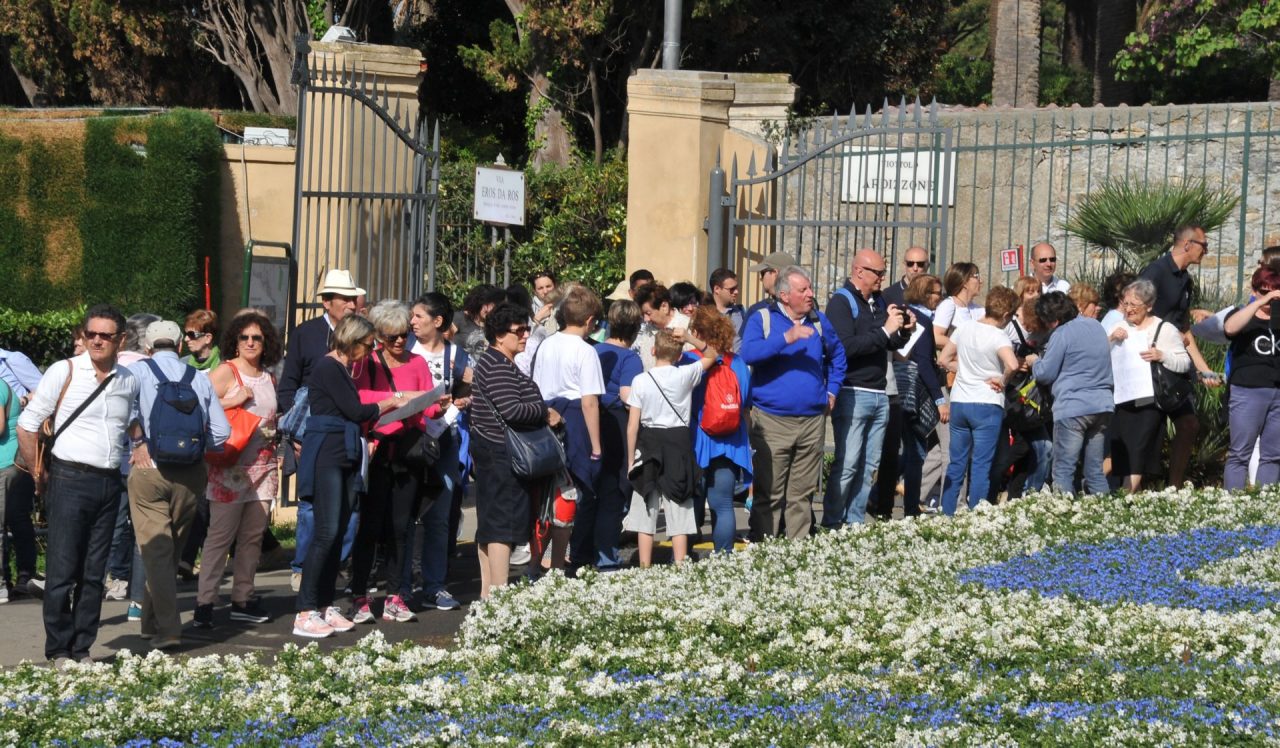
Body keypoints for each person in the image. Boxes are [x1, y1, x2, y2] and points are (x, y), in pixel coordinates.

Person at [17, 305, 141, 666]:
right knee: (61, 570)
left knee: (93, 572)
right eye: (91, 334)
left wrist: (143, 442)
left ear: (121, 339)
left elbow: (130, 421)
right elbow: (28, 424)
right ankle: (58, 649)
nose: (97, 340)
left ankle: (82, 648)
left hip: (108, 482)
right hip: (69, 477)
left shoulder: (127, 379)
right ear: (84, 336)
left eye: (106, 335)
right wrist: (39, 474)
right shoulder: (65, 371)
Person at [293, 315, 411, 638]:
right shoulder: (327, 367)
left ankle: (324, 604)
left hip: (344, 452)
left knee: (342, 528)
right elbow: (355, 411)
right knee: (327, 531)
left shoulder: (342, 369)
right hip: (328, 453)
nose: (369, 351)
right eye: (367, 344)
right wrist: (389, 402)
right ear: (352, 340)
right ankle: (306, 609)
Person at [126, 320, 231, 649]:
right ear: (180, 346)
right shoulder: (198, 378)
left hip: (149, 469)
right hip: (191, 474)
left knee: (156, 551)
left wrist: (139, 441)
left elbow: (123, 413)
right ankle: (149, 622)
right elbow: (222, 433)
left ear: (147, 347)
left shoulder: (137, 373)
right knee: (168, 551)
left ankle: (169, 628)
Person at [350, 300, 445, 624]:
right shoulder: (370, 363)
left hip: (409, 452)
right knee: (370, 527)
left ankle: (395, 596)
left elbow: (428, 405)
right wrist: (400, 398)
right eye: (393, 337)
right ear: (379, 337)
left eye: (405, 334)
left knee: (401, 528)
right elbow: (361, 400)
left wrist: (436, 404)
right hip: (378, 452)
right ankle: (359, 596)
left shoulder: (418, 363)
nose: (401, 342)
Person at [740, 265, 846, 540]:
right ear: (785, 296)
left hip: (812, 421)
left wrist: (832, 391)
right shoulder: (762, 318)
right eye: (804, 290)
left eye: (810, 288)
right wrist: (786, 338)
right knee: (770, 491)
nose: (811, 294)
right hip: (772, 420)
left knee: (802, 493)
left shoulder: (819, 321)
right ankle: (765, 546)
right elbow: (749, 353)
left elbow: (838, 357)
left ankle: (796, 551)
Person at [194, 312, 282, 628]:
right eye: (244, 337)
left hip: (264, 465)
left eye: (256, 338)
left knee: (252, 537)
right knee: (220, 536)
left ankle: (242, 598)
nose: (250, 343)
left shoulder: (269, 377)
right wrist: (232, 400)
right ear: (235, 340)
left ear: (265, 342)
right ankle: (204, 603)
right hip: (229, 466)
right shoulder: (226, 371)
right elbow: (196, 403)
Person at [278, 268, 365, 592]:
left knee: (350, 504)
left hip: (348, 431)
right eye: (344, 298)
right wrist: (294, 433)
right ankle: (302, 567)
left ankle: (335, 565)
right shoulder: (306, 334)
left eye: (352, 297)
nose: (351, 304)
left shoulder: (359, 334)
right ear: (327, 302)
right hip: (312, 433)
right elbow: (289, 385)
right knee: (311, 505)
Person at [471, 303, 560, 598]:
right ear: (499, 336)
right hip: (501, 454)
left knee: (491, 525)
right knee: (502, 526)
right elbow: (512, 410)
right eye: (518, 330)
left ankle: (488, 594)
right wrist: (544, 411)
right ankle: (498, 593)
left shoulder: (498, 362)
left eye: (526, 329)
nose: (524, 335)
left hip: (495, 451)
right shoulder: (495, 365)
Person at [823, 249, 911, 527]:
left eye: (884, 273)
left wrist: (903, 330)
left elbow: (887, 343)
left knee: (868, 466)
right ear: (859, 271)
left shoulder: (878, 301)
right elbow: (845, 347)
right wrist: (885, 331)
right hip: (853, 391)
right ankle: (833, 522)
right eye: (878, 273)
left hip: (879, 393)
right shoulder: (841, 302)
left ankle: (855, 521)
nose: (882, 278)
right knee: (848, 464)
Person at [531, 285, 605, 574]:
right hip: (574, 421)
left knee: (549, 492)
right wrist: (596, 447)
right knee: (576, 491)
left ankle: (541, 557)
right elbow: (589, 403)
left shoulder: (546, 344)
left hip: (546, 416)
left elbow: (536, 386)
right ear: (589, 321)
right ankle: (562, 557)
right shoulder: (586, 352)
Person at [626, 330, 717, 565]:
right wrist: (689, 337)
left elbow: (632, 426)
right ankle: (680, 564)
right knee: (679, 506)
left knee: (647, 506)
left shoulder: (640, 381)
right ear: (678, 357)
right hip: (678, 442)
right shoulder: (685, 374)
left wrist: (629, 461)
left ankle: (644, 566)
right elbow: (712, 354)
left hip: (649, 443)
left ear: (653, 351)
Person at [1138, 225, 1216, 487]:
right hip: (1151, 361)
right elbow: (1134, 310)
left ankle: (1174, 487)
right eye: (1203, 245)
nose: (1206, 250)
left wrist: (1203, 369)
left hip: (1176, 363)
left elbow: (1184, 328)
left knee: (1189, 424)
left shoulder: (1185, 280)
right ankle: (1128, 488)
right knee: (1148, 430)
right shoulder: (1155, 272)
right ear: (1187, 244)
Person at [408, 292, 470, 610]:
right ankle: (402, 583)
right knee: (405, 512)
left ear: (438, 321)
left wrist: (459, 404)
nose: (412, 321)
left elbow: (469, 388)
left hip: (445, 438)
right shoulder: (405, 349)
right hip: (407, 438)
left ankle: (434, 585)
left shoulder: (456, 355)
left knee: (440, 513)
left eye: (419, 316)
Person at [937, 286, 1020, 516]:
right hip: (987, 403)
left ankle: (947, 513)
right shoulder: (999, 335)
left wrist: (962, 369)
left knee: (956, 463)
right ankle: (976, 516)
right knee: (981, 465)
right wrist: (1002, 380)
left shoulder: (964, 328)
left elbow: (944, 359)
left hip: (960, 401)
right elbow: (1012, 365)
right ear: (1005, 315)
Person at [1105, 279, 1191, 492]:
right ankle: (1121, 495)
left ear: (1149, 306)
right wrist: (1110, 339)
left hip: (1150, 401)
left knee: (1138, 450)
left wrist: (1161, 355)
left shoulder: (1164, 329)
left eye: (1135, 304)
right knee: (1120, 450)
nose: (1129, 309)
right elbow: (1098, 357)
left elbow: (1184, 362)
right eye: (1125, 303)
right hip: (1122, 399)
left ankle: (1126, 495)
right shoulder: (1118, 326)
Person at [1031, 292, 1115, 496]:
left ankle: (1064, 518)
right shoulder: (1095, 326)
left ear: (1054, 320)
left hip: (1073, 408)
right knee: (1095, 471)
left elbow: (1045, 374)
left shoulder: (1062, 333)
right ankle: (1105, 516)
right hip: (1102, 405)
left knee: (1063, 470)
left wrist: (1035, 362)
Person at [686, 305, 752, 553]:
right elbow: (745, 402)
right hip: (730, 441)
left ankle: (684, 556)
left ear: (697, 332)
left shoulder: (690, 359)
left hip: (696, 440)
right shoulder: (738, 363)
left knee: (691, 502)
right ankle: (723, 557)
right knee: (723, 504)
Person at [594, 300, 644, 570]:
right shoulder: (630, 359)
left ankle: (583, 552)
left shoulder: (595, 350)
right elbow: (628, 397)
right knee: (614, 495)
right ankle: (606, 558)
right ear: (635, 327)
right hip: (619, 425)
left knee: (593, 493)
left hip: (592, 422)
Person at [1221, 265, 1280, 489]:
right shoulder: (1242, 313)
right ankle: (1232, 504)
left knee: (1273, 454)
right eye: (1264, 291)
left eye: (1276, 291)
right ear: (1254, 290)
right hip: (1248, 389)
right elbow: (1230, 328)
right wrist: (1257, 303)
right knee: (1240, 452)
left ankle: (1264, 505)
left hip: (1277, 389)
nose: (1270, 297)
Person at [900, 274, 948, 515]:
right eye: (935, 293)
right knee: (916, 449)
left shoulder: (909, 314)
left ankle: (883, 495)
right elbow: (923, 363)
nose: (939, 297)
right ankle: (909, 507)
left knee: (908, 447)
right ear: (923, 294)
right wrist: (939, 399)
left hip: (902, 387)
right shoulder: (921, 320)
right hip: (913, 390)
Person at [633, 284, 691, 370]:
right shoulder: (646, 329)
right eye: (643, 314)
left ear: (664, 307)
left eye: (648, 313)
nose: (646, 319)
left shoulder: (687, 326)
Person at [933, 262, 983, 352]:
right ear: (964, 282)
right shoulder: (949, 305)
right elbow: (936, 337)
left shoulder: (978, 309)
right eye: (976, 276)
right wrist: (964, 345)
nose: (981, 281)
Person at [744, 251, 797, 324]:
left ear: (775, 273)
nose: (761, 279)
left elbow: (745, 335)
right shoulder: (806, 305)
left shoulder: (758, 310)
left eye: (762, 274)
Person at [708, 268, 746, 350]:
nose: (736, 292)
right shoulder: (706, 316)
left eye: (736, 288)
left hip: (741, 361)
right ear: (717, 289)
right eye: (731, 289)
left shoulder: (740, 311)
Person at [531, 271, 560, 335]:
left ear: (555, 286)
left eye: (548, 286)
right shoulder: (529, 310)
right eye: (540, 288)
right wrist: (537, 318)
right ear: (534, 291)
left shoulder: (565, 306)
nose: (545, 291)